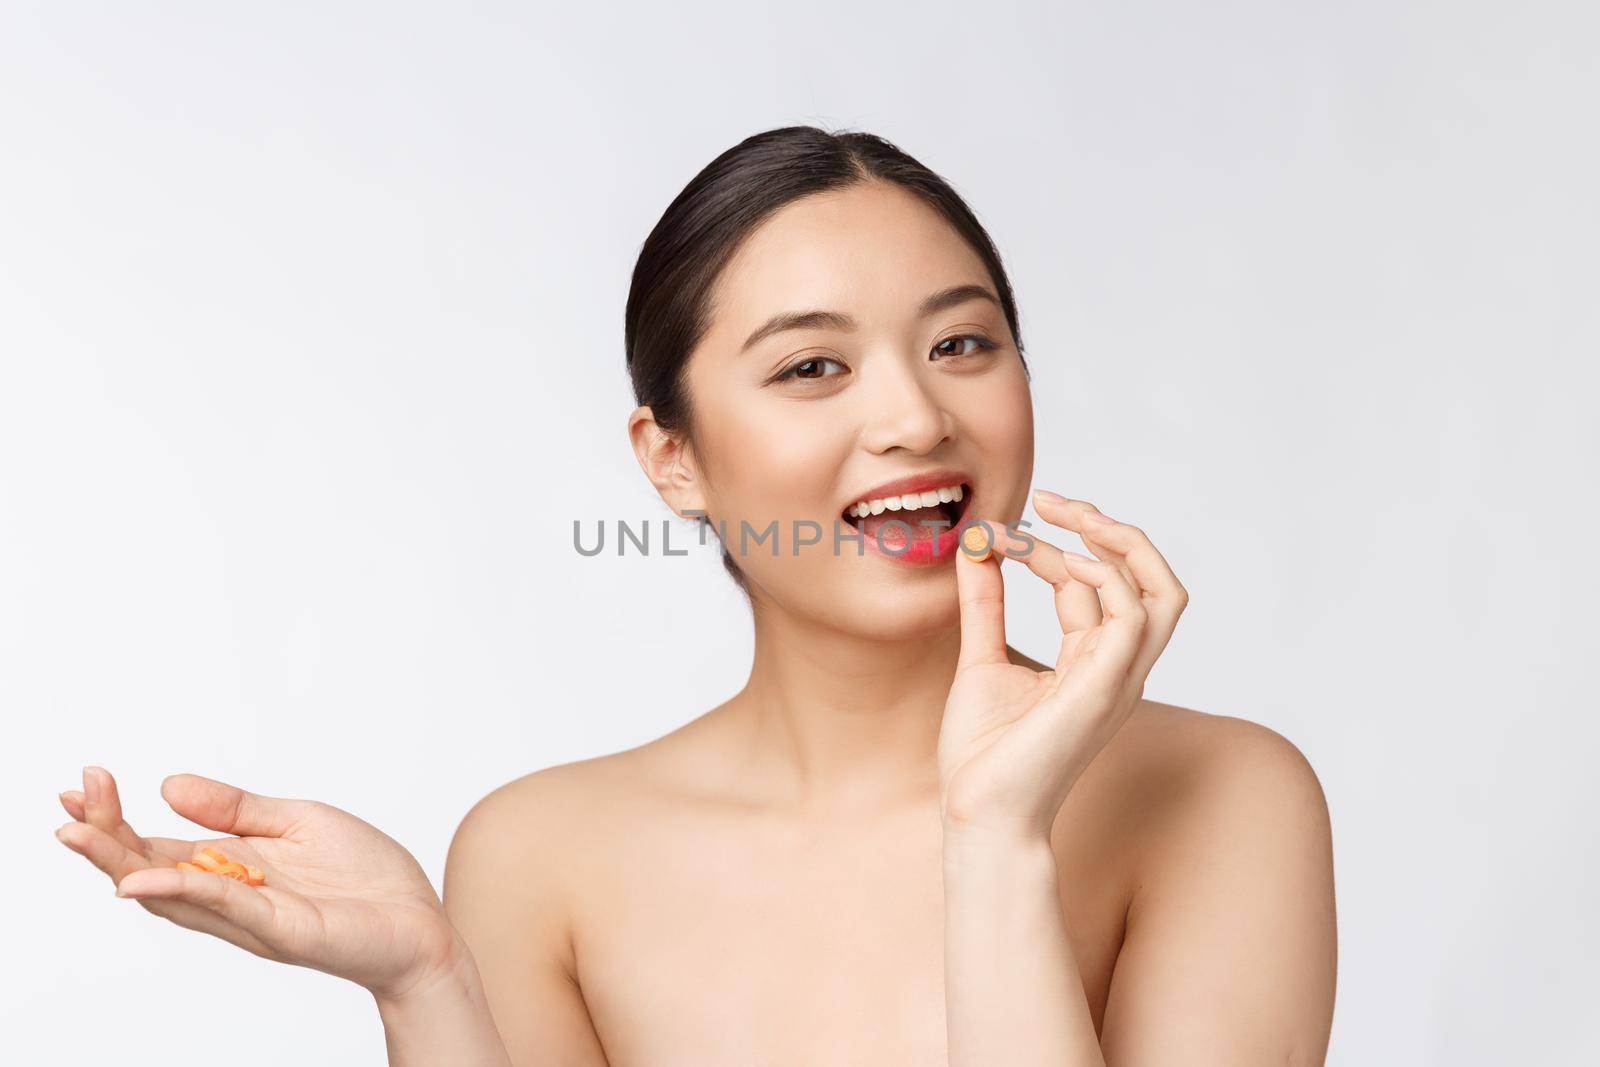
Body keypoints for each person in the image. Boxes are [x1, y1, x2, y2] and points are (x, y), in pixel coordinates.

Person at [54, 125, 1338, 1065]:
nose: (913, 416)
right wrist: (428, 987)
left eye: (962, 342)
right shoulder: (539, 852)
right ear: (672, 458)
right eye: (812, 366)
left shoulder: (1221, 798)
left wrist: (998, 842)